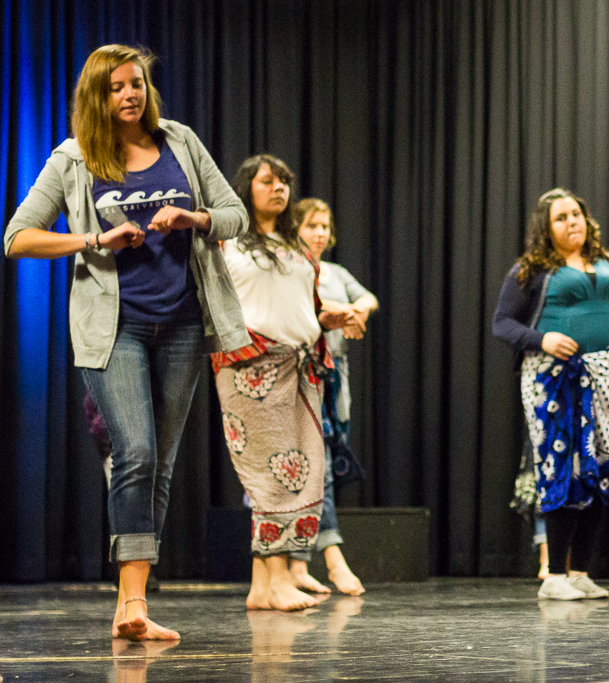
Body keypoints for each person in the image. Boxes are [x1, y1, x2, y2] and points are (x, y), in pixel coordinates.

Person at [3, 44, 249, 640]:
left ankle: (130, 605)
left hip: (185, 323)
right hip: (116, 328)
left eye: (136, 83)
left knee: (160, 465)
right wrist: (93, 239)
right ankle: (132, 602)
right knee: (135, 454)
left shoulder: (181, 142)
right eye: (115, 87)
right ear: (96, 95)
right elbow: (18, 237)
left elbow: (234, 212)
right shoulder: (74, 158)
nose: (130, 95)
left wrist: (193, 219)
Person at [215, 155, 354, 612]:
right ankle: (274, 579)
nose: (279, 188)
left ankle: (265, 584)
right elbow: (218, 303)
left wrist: (328, 315)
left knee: (299, 473)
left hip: (301, 366)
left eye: (284, 182)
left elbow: (300, 304)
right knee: (272, 473)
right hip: (252, 366)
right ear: (245, 187)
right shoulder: (228, 242)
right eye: (267, 181)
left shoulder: (295, 247)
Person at [494, 188, 609, 600]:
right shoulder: (530, 270)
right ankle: (554, 576)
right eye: (560, 218)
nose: (572, 221)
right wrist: (543, 339)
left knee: (602, 468)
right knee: (561, 466)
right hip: (553, 377)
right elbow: (502, 323)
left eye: (576, 213)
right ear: (546, 228)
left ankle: (579, 572)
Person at [287, 197, 377, 596]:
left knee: (323, 466)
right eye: (312, 226)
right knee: (312, 465)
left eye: (325, 226)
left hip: (335, 375)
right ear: (296, 229)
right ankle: (333, 557)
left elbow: (368, 297)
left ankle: (296, 563)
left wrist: (356, 309)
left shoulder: (336, 271)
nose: (320, 233)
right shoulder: (290, 266)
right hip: (299, 371)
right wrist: (336, 312)